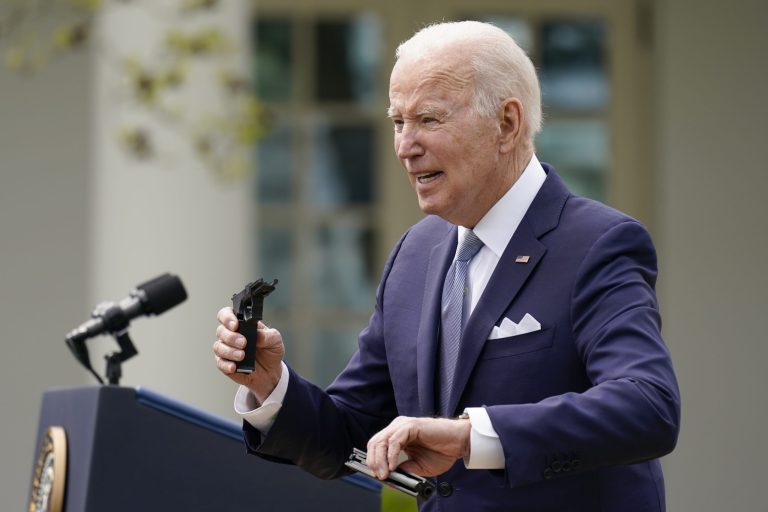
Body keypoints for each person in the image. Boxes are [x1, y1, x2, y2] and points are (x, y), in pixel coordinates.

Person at [213, 20, 680, 512]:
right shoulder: (414, 255)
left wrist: (470, 436)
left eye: (429, 120)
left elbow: (647, 406)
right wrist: (270, 385)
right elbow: (351, 430)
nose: (405, 146)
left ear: (507, 123)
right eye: (398, 121)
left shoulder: (597, 243)